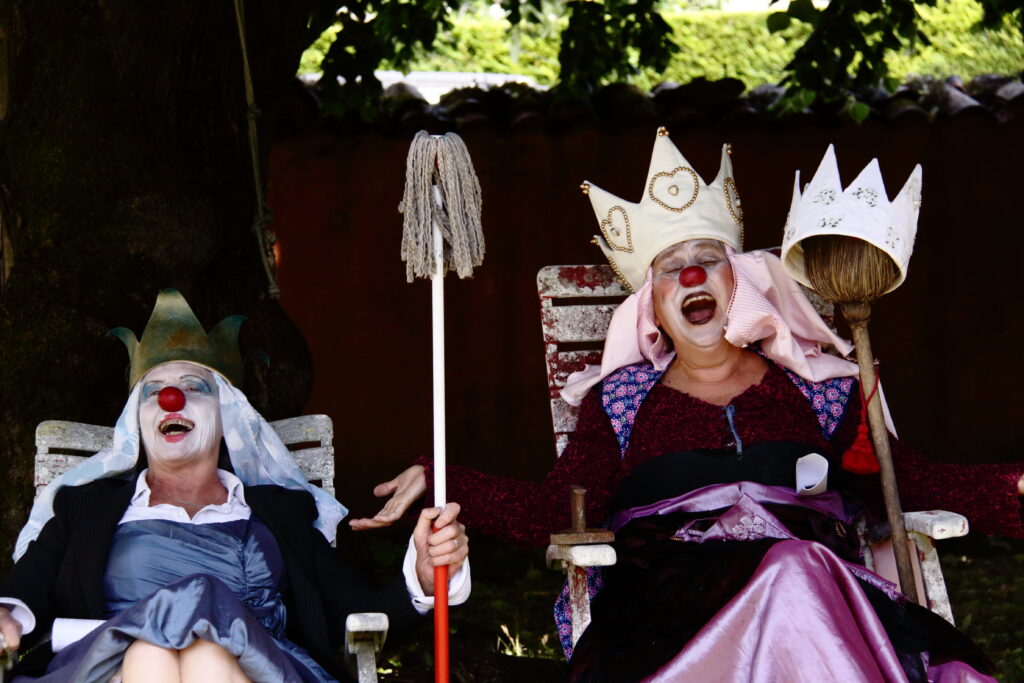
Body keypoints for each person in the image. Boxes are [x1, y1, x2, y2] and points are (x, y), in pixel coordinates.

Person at [349, 129, 1024, 681]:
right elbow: (556, 513)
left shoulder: (821, 391)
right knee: (793, 570)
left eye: (708, 258)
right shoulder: (620, 403)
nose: (691, 274)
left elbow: (905, 485)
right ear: (653, 305)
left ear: (743, 283)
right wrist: (442, 473)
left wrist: (1012, 488)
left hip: (818, 589)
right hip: (671, 610)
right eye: (672, 267)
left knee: (801, 572)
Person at [0, 289, 470, 682]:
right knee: (153, 654)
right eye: (152, 391)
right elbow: (28, 588)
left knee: (200, 655)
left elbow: (354, 615)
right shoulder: (85, 507)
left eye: (195, 386)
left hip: (257, 669)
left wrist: (423, 582)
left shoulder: (281, 513)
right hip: (108, 670)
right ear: (136, 423)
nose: (171, 398)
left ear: (229, 416)